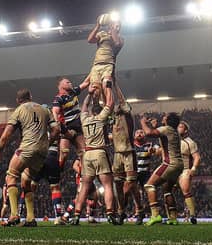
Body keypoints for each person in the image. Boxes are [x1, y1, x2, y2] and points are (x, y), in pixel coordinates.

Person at [0, 89, 60, 227]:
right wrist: (48, 143)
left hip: (27, 148)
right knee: (26, 182)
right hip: (42, 152)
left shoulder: (19, 110)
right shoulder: (44, 110)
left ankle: (14, 215)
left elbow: (5, 136)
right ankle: (30, 218)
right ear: (31, 97)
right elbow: (56, 129)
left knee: (10, 176)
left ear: (18, 100)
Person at [71, 84, 118, 225]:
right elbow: (110, 103)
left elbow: (84, 105)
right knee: (108, 185)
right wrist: (109, 88)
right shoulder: (100, 118)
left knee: (84, 186)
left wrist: (90, 94)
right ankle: (110, 214)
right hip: (99, 152)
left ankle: (76, 216)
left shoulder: (84, 119)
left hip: (87, 154)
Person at [140, 112, 183, 226]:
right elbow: (163, 142)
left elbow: (149, 133)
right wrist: (154, 127)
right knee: (167, 190)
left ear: (168, 120)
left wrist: (143, 122)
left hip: (170, 163)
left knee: (149, 185)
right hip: (178, 165)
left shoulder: (167, 129)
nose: (163, 116)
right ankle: (173, 218)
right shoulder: (174, 131)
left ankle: (155, 215)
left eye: (165, 116)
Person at [111, 81, 143, 224]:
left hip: (129, 152)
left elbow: (121, 100)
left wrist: (115, 84)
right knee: (118, 184)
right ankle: (125, 212)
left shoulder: (127, 116)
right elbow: (108, 103)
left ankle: (132, 211)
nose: (118, 106)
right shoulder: (113, 119)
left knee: (130, 184)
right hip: (117, 154)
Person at [52, 76, 90, 168]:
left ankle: (83, 175)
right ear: (60, 86)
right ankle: (59, 171)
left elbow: (85, 82)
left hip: (78, 126)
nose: (70, 83)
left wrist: (94, 70)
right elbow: (55, 112)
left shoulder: (73, 92)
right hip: (67, 128)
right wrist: (60, 127)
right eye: (67, 82)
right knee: (64, 153)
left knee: (84, 153)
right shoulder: (58, 99)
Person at [87, 16, 123, 104]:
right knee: (96, 91)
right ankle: (96, 109)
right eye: (115, 25)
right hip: (97, 64)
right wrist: (97, 26)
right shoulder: (102, 33)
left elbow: (117, 43)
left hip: (108, 65)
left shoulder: (120, 39)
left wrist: (112, 29)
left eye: (118, 26)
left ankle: (109, 108)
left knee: (106, 86)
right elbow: (90, 40)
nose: (116, 27)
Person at [177, 121, 200, 224]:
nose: (178, 128)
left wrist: (193, 168)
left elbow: (197, 157)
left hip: (185, 169)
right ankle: (171, 216)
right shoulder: (173, 141)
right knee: (167, 191)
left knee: (186, 190)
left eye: (181, 127)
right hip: (173, 169)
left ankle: (192, 215)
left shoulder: (190, 142)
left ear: (185, 130)